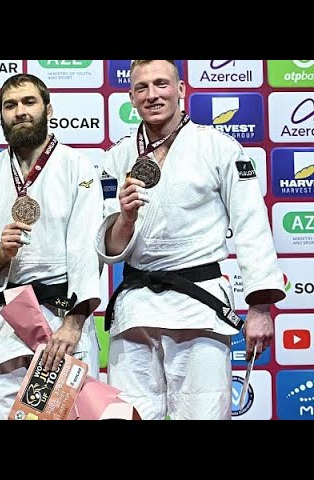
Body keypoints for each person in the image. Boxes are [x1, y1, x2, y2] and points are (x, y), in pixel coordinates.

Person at [96, 60, 285, 420]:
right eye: (142, 88)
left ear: (181, 90)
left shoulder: (220, 148)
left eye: (161, 84)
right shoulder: (115, 158)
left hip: (199, 310)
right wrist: (127, 218)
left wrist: (260, 307)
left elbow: (251, 225)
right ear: (131, 97)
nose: (152, 95)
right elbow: (110, 248)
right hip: (136, 310)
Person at [0, 73, 103, 420]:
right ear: (1, 116)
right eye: (10, 105)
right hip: (5, 324)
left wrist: (74, 323)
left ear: (48, 109)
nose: (20, 111)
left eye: (29, 102)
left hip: (60, 325)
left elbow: (86, 247)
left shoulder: (76, 166)